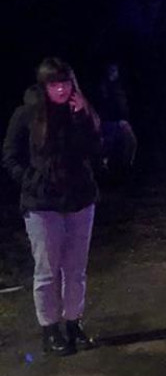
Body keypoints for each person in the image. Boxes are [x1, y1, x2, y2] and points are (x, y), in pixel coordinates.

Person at [2, 57, 102, 356]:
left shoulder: (79, 111)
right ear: (44, 86)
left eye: (65, 83)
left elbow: (94, 149)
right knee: (47, 269)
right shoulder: (27, 114)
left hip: (79, 199)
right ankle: (50, 329)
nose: (61, 89)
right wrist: (30, 180)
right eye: (54, 84)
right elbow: (10, 154)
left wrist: (82, 117)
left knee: (76, 268)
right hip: (42, 204)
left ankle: (73, 323)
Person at [93, 61, 137, 175]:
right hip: (110, 122)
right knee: (108, 144)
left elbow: (123, 105)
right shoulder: (104, 87)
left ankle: (126, 167)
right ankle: (106, 167)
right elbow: (105, 106)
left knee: (129, 142)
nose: (114, 73)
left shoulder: (118, 86)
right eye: (112, 70)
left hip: (119, 122)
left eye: (115, 70)